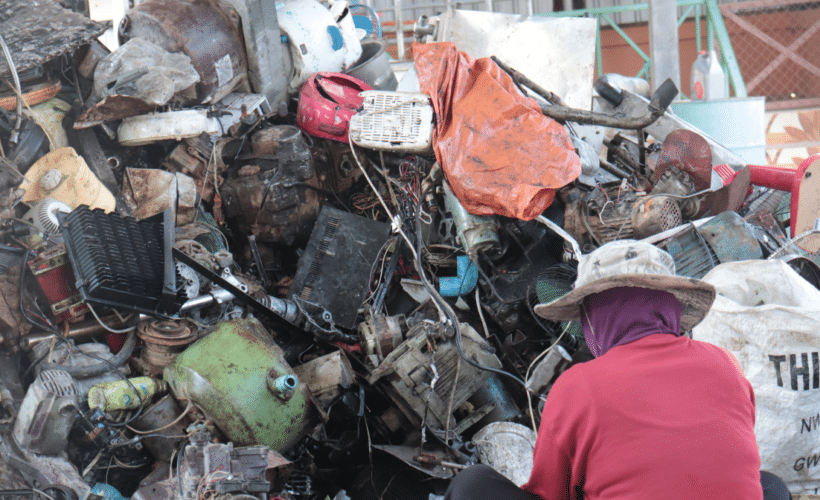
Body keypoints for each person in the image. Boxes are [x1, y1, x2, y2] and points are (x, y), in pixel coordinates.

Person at [445, 240, 791, 500]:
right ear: (669, 308)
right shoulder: (726, 365)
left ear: (597, 318)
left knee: (471, 485)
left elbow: (552, 491)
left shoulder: (578, 386)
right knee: (771, 487)